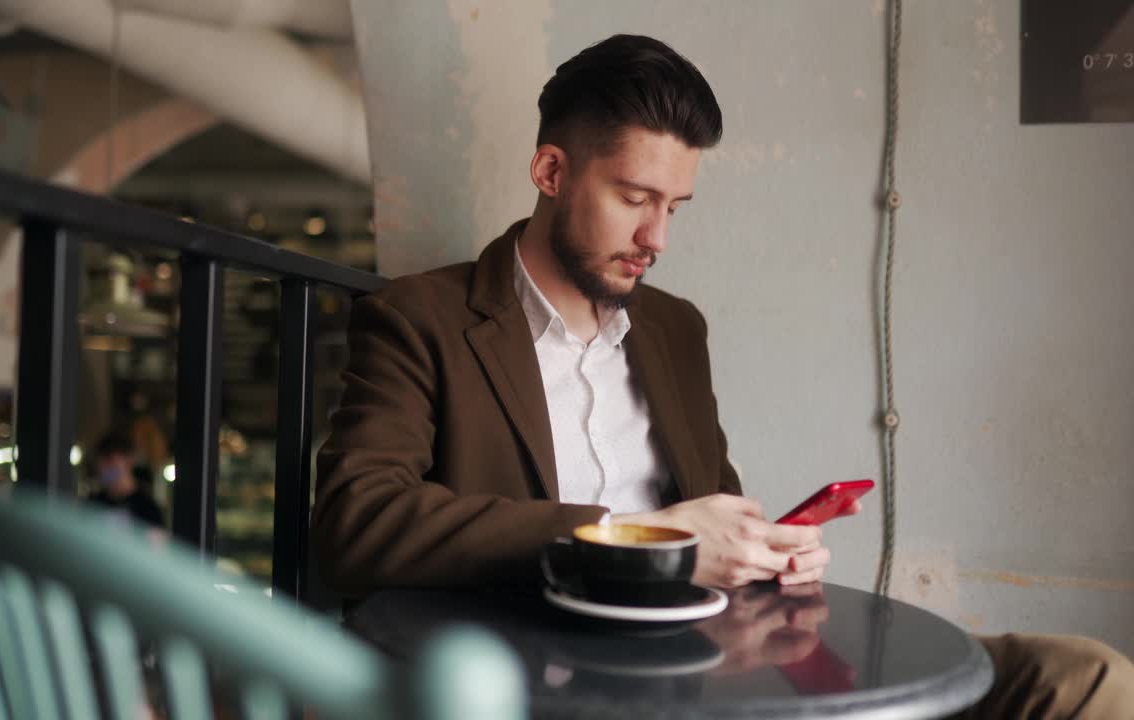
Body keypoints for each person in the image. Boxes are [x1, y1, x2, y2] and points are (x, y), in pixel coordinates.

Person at [313, 33, 1133, 717]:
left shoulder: (674, 329)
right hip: (548, 678)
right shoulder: (421, 316)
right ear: (551, 173)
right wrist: (630, 539)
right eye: (635, 197)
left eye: (675, 207)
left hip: (711, 667)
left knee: (1082, 679)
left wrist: (766, 550)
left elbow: (716, 508)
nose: (657, 237)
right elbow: (356, 522)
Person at [88, 431, 165, 529]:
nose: (104, 468)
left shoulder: (147, 508)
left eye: (109, 460)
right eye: (100, 462)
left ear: (129, 461)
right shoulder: (93, 504)